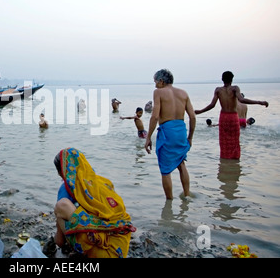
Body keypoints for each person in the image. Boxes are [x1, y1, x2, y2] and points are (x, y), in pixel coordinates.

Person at [53, 148, 136, 258]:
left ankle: (80, 249)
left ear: (61, 172)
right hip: (121, 249)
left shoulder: (66, 189)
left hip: (101, 254)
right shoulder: (103, 182)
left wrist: (54, 240)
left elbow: (59, 242)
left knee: (61, 206)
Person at [145, 69, 196, 200]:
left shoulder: (158, 92)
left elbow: (155, 116)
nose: (155, 85)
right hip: (181, 131)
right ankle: (187, 194)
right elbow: (193, 117)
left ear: (161, 81)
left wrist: (148, 137)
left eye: (155, 81)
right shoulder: (183, 93)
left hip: (167, 132)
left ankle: (169, 202)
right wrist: (190, 137)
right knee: (181, 163)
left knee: (165, 169)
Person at [195, 71, 268, 159]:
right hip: (233, 117)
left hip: (223, 117)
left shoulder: (218, 90)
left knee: (224, 141)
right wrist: (259, 102)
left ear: (222, 79)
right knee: (235, 140)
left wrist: (200, 111)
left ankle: (225, 160)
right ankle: (234, 161)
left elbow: (212, 105)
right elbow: (242, 99)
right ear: (232, 79)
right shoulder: (235, 88)